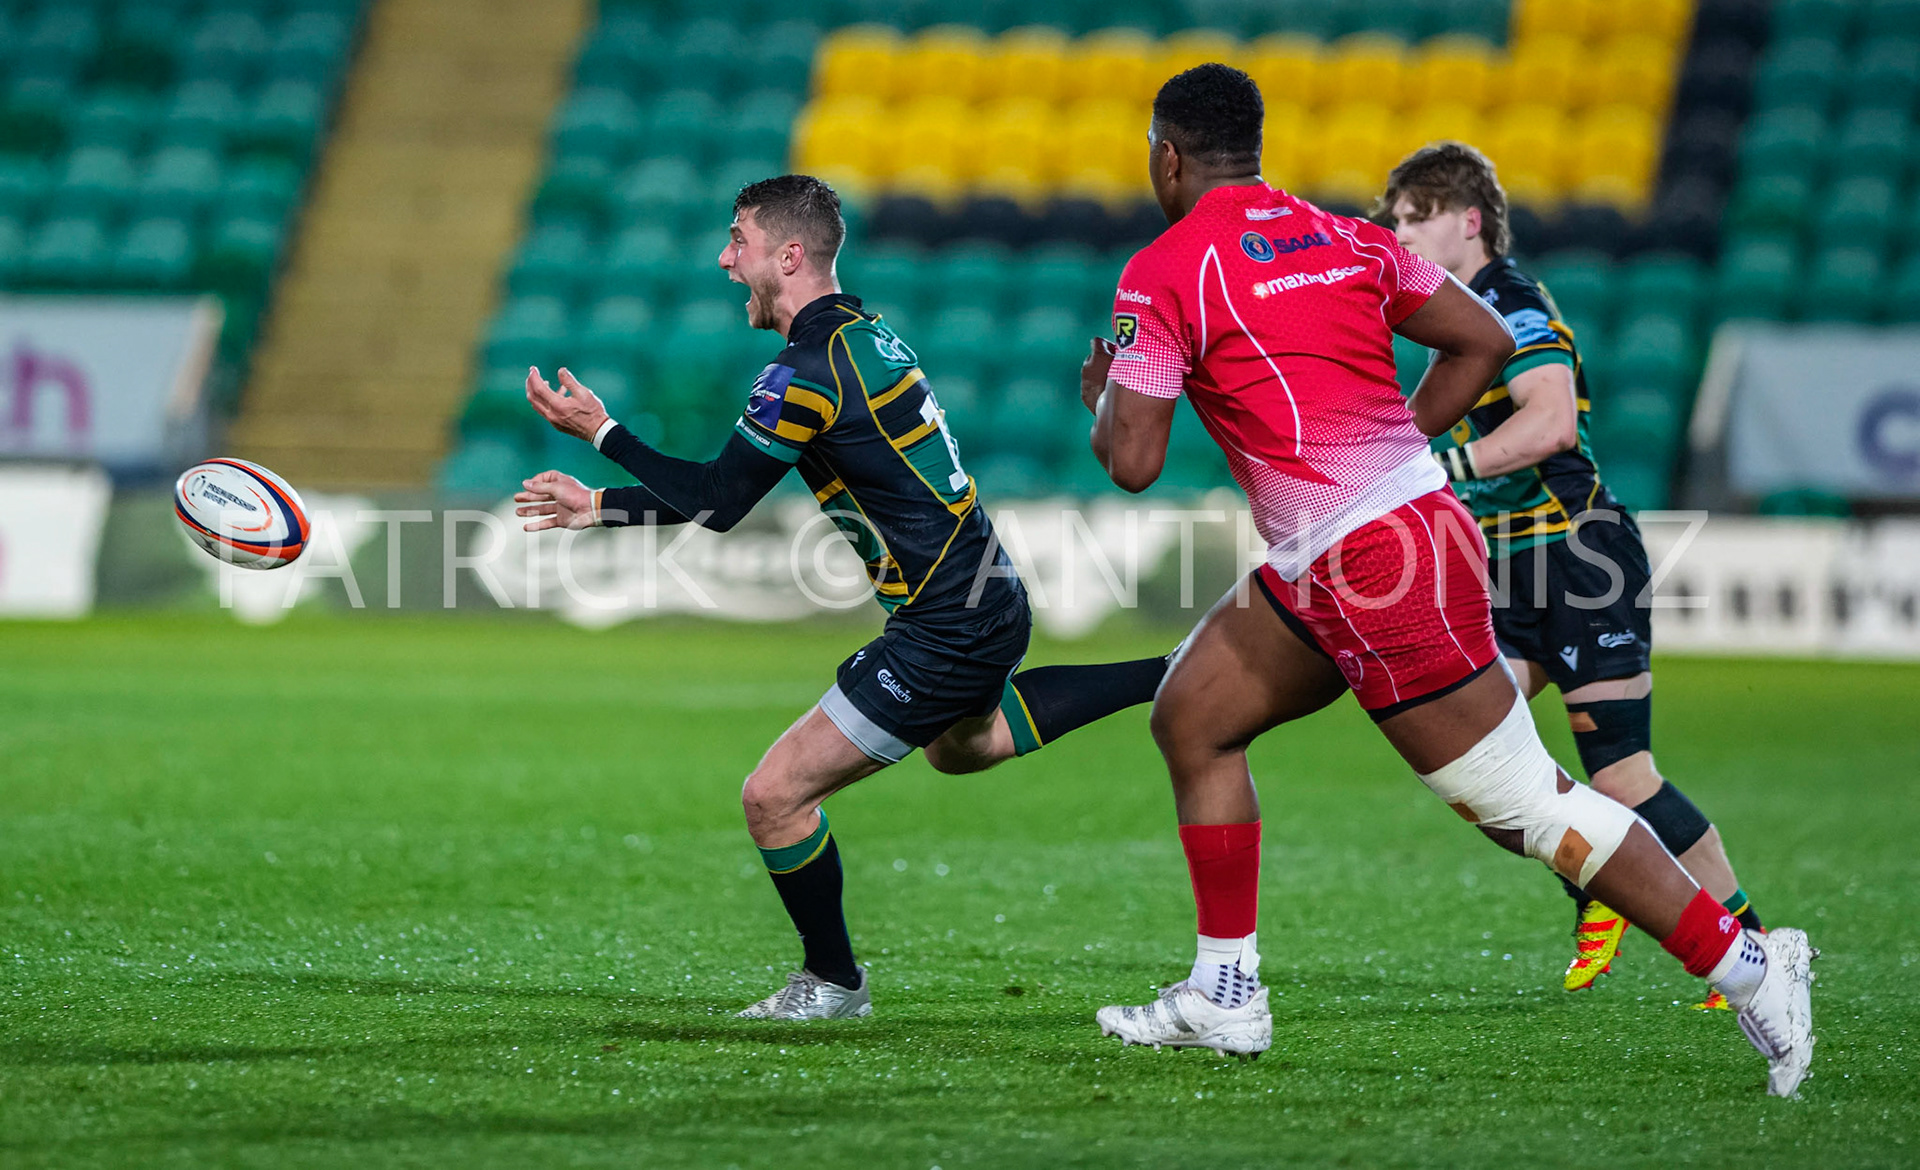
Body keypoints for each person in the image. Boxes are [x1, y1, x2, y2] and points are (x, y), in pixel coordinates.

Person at [1078, 64, 1815, 1096]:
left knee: (1524, 801)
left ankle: (1750, 962)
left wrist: (1106, 384)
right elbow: (1479, 339)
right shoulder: (1344, 235)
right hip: (1366, 541)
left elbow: (1132, 461)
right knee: (1194, 716)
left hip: (1374, 562)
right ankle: (1224, 991)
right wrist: (1398, 451)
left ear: (1165, 155)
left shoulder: (1162, 271)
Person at [514, 175, 1169, 1019]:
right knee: (965, 746)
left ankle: (834, 982)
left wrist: (603, 436)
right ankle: (1174, 669)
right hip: (987, 592)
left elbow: (719, 500)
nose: (724, 259)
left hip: (946, 623)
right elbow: (730, 489)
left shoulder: (804, 372)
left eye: (737, 241)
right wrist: (597, 505)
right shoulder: (868, 337)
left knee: (774, 796)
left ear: (787, 256)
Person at [1375, 141, 1768, 1008]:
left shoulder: (1511, 304)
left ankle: (1750, 940)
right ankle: (1596, 887)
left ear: (1469, 221)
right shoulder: (1459, 317)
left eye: (1416, 216)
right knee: (1475, 751)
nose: (1399, 233)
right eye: (1393, 220)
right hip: (1510, 568)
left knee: (1621, 773)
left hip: (1575, 553)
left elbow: (1548, 424)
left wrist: (1444, 470)